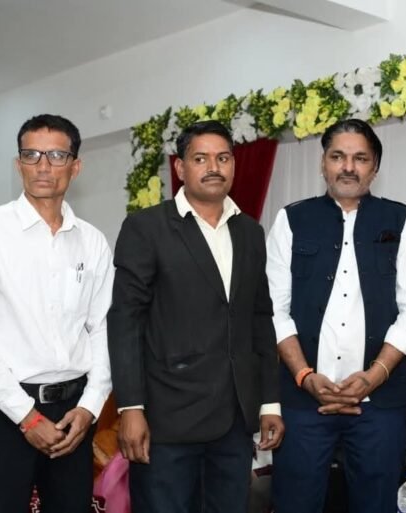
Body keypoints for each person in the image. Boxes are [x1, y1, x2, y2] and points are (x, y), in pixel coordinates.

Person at [107, 120, 284, 513]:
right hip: (166, 421)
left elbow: (260, 319)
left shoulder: (250, 232)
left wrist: (269, 403)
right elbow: (125, 321)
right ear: (180, 167)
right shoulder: (146, 228)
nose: (213, 167)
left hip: (234, 421)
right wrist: (130, 407)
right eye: (200, 158)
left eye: (223, 158)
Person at [0, 114, 114, 513]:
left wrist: (90, 407)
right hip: (8, 411)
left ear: (75, 166)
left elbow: (104, 329)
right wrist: (27, 417)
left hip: (74, 416)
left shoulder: (92, 241)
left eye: (56, 155)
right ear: (18, 163)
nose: (43, 166)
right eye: (31, 155)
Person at [266, 118, 406, 513]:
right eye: (338, 157)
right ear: (323, 163)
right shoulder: (292, 220)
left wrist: (374, 376)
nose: (348, 167)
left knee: (376, 505)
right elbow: (273, 308)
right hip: (303, 401)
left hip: (379, 404)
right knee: (294, 504)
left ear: (375, 168)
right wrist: (305, 376)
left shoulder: (401, 220)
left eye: (360, 158)